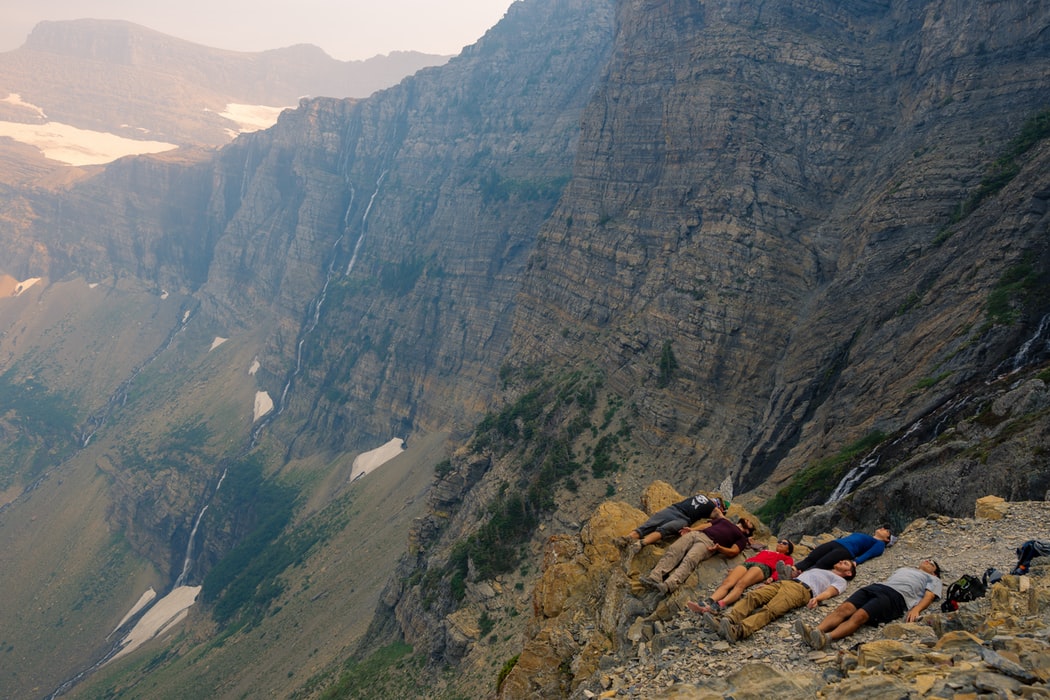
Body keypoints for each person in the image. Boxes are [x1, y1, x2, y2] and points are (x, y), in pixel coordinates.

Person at [798, 559, 942, 650]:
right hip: (877, 587)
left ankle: (826, 638)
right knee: (844, 608)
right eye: (927, 559)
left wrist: (916, 609)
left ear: (935, 573)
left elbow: (929, 596)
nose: (928, 561)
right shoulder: (904, 569)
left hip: (897, 597)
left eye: (932, 563)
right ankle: (813, 632)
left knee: (860, 615)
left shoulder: (933, 579)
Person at [703, 558, 856, 642]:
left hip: (803, 590)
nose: (842, 561)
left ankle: (739, 631)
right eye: (842, 560)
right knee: (754, 596)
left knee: (771, 609)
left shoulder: (841, 581)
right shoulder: (821, 570)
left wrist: (817, 598)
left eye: (846, 563)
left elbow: (830, 592)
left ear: (849, 573)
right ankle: (728, 620)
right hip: (786, 582)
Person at [641, 516, 755, 595]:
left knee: (690, 559)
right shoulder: (724, 521)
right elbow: (707, 525)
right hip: (697, 534)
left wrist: (719, 548)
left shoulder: (742, 538)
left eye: (750, 523)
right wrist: (691, 529)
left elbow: (734, 551)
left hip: (709, 542)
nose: (748, 519)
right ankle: (655, 577)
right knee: (674, 550)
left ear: (748, 531)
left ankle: (669, 585)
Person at [686, 538, 796, 614]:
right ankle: (708, 601)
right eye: (780, 541)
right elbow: (753, 552)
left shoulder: (787, 558)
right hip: (748, 563)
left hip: (763, 567)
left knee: (741, 584)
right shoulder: (767, 551)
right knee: (728, 582)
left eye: (784, 543)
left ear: (788, 550)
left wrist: (773, 578)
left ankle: (719, 605)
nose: (780, 543)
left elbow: (783, 569)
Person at [615, 493, 728, 551]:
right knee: (664, 530)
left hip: (674, 510)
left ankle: (629, 538)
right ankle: (639, 543)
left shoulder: (701, 497)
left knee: (652, 525)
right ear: (720, 505)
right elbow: (722, 518)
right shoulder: (714, 508)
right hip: (683, 518)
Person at [783, 526, 894, 577]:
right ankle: (791, 570)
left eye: (886, 531)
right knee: (812, 557)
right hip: (836, 543)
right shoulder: (869, 537)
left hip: (846, 550)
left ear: (887, 539)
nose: (883, 528)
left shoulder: (879, 544)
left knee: (821, 563)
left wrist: (857, 561)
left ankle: (801, 577)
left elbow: (870, 553)